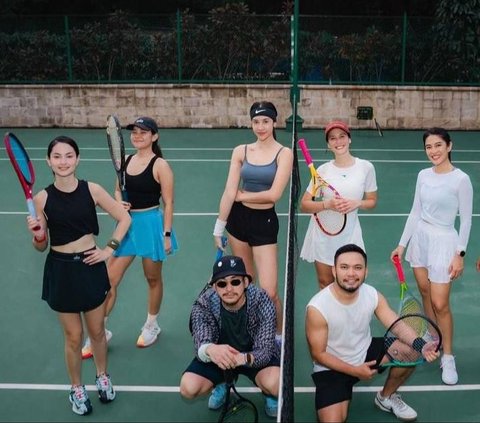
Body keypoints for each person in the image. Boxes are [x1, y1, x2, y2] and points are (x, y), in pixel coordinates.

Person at [25, 136, 131, 415]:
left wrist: (110, 249)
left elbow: (124, 218)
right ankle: (76, 388)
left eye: (69, 155)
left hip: (91, 265)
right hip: (61, 270)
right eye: (57, 156)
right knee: (73, 337)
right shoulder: (42, 198)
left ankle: (102, 375)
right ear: (48, 161)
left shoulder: (92, 190)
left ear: (78, 158)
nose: (63, 161)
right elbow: (41, 247)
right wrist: (37, 236)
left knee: (97, 332)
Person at [306, 244, 439, 423]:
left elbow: (396, 325)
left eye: (357, 267)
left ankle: (386, 397)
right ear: (334, 271)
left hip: (365, 353)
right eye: (344, 267)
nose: (351, 273)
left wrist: (422, 346)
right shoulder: (318, 307)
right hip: (332, 367)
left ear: (365, 272)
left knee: (411, 352)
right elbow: (318, 354)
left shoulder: (371, 294)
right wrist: (355, 371)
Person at [82, 116, 178, 358]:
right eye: (134, 131)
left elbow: (168, 203)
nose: (137, 135)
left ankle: (151, 325)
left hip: (150, 224)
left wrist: (166, 234)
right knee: (108, 281)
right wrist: (118, 201)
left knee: (152, 278)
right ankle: (99, 332)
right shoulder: (124, 161)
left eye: (143, 132)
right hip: (126, 225)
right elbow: (117, 187)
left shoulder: (160, 165)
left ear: (154, 136)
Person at [391, 127, 473, 386]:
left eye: (438, 145)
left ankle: (447, 356)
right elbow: (415, 211)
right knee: (425, 292)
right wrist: (402, 245)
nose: (433, 151)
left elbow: (467, 220)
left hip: (444, 242)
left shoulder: (461, 179)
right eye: (429, 147)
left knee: (441, 304)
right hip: (421, 240)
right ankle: (430, 334)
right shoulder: (423, 175)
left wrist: (460, 254)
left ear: (449, 146)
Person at [213, 101, 293, 336]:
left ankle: (278, 336)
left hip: (264, 223)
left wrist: (242, 195)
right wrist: (219, 227)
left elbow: (274, 195)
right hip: (237, 221)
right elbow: (229, 192)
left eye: (266, 121)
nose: (261, 127)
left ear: (274, 122)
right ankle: (251, 328)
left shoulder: (284, 153)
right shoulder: (241, 151)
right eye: (256, 122)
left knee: (269, 291)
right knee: (245, 283)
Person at [179, 255, 280, 418]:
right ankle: (222, 383)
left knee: (276, 384)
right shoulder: (203, 304)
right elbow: (201, 340)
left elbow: (265, 350)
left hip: (252, 354)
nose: (229, 289)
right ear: (214, 288)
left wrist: (243, 358)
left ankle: (268, 394)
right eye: (222, 284)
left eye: (235, 281)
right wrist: (211, 350)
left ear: (246, 282)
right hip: (219, 357)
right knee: (188, 387)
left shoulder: (262, 301)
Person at [300, 120, 377, 289]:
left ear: (349, 139)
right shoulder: (322, 171)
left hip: (350, 235)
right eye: (333, 138)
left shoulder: (366, 168)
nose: (338, 141)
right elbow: (304, 205)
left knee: (351, 284)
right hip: (323, 236)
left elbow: (372, 201)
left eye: (342, 136)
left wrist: (357, 203)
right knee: (325, 283)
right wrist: (327, 204)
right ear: (328, 144)